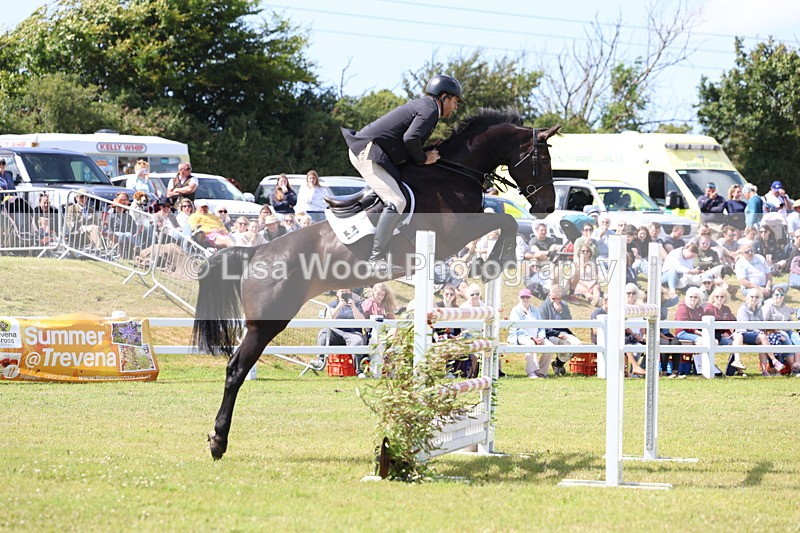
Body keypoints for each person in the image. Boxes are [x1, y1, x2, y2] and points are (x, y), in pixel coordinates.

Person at [341, 73, 463, 275]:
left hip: (376, 153)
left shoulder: (426, 107)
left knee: (404, 192)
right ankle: (376, 258)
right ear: (444, 97)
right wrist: (424, 159)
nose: (456, 107)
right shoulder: (430, 109)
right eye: (455, 101)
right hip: (368, 152)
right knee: (397, 201)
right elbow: (411, 137)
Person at [316, 288, 368, 376]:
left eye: (346, 292)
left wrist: (353, 307)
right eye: (342, 291)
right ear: (337, 293)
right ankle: (321, 360)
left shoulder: (357, 305)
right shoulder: (332, 305)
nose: (344, 293)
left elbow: (362, 321)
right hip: (336, 332)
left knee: (358, 341)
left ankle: (358, 370)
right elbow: (328, 320)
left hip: (352, 333)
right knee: (323, 333)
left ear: (350, 293)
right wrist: (338, 307)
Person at [734, 288, 784, 376]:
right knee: (762, 336)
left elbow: (761, 323)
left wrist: (761, 331)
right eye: (752, 297)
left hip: (755, 335)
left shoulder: (759, 309)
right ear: (747, 297)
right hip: (743, 333)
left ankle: (764, 370)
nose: (754, 299)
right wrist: (759, 331)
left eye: (757, 297)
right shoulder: (743, 309)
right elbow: (746, 326)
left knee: (763, 342)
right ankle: (774, 360)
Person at [507, 288, 553, 379]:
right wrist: (532, 338)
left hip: (537, 336)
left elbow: (541, 326)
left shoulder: (535, 310)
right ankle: (531, 372)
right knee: (530, 344)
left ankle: (541, 372)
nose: (525, 299)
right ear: (519, 298)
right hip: (521, 336)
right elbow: (518, 328)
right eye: (523, 297)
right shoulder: (516, 310)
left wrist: (540, 336)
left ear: (530, 297)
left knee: (550, 346)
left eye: (527, 297)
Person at [539, 285, 583, 375]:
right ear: (549, 295)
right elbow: (542, 327)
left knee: (579, 345)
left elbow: (569, 321)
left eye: (558, 298)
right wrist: (557, 333)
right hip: (550, 333)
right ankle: (557, 365)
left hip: (564, 332)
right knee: (565, 344)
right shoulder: (544, 307)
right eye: (554, 298)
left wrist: (561, 311)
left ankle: (558, 364)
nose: (556, 301)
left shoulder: (564, 305)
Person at [702, 287, 746, 371]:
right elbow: (706, 326)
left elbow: (733, 322)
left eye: (722, 297)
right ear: (713, 297)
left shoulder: (726, 309)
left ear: (725, 298)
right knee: (716, 343)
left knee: (738, 338)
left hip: (724, 336)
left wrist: (727, 332)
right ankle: (712, 369)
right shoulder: (708, 309)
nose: (719, 298)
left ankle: (737, 362)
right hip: (713, 335)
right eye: (717, 296)